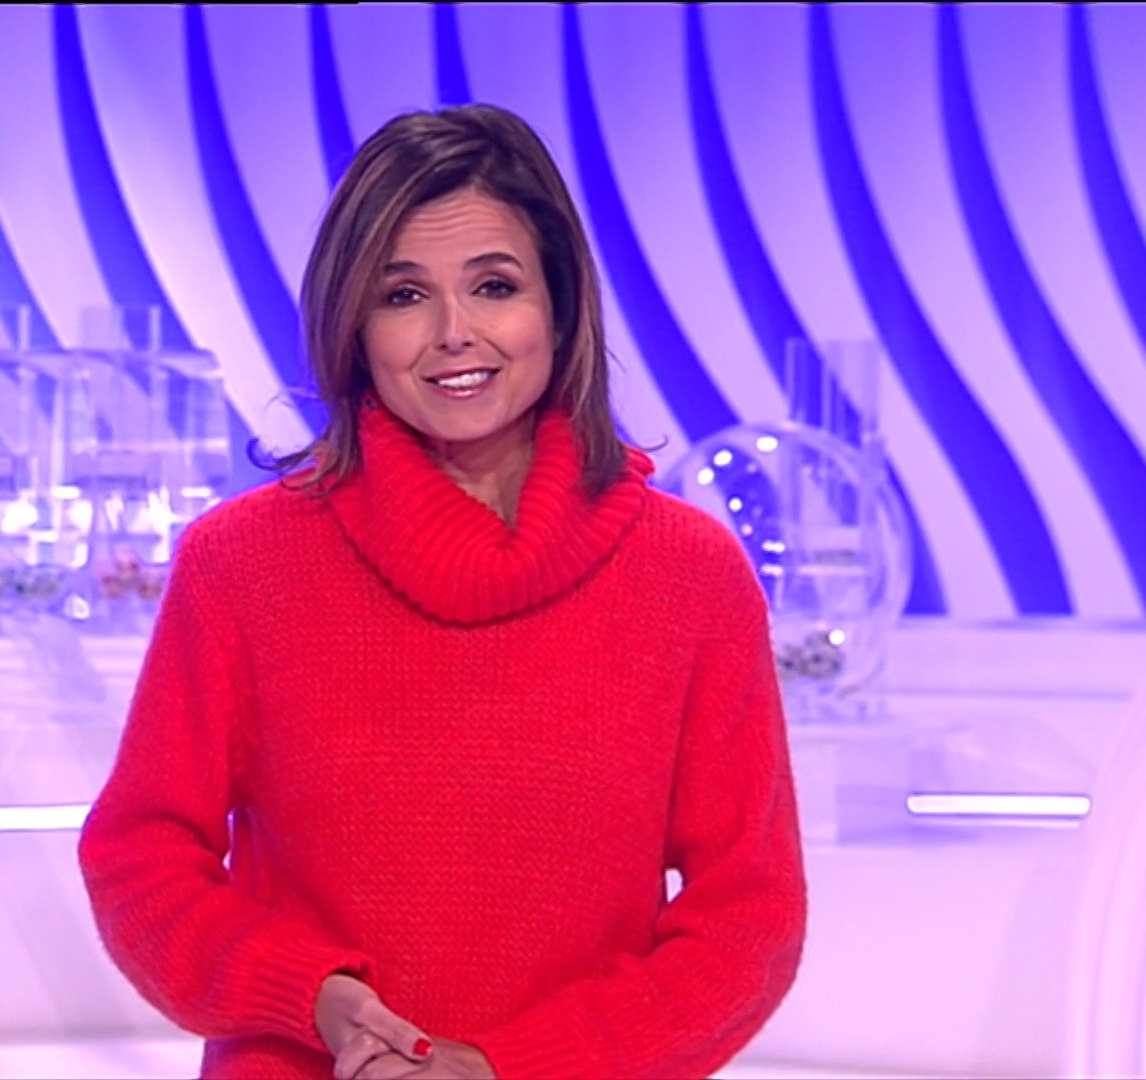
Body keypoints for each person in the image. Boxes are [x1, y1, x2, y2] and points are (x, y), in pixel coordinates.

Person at [78, 103, 806, 1080]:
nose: (454, 334)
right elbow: (140, 860)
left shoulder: (689, 577)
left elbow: (747, 920)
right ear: (354, 325)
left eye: (494, 286)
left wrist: (507, 1067)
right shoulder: (242, 565)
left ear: (560, 307)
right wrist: (310, 997)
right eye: (405, 294)